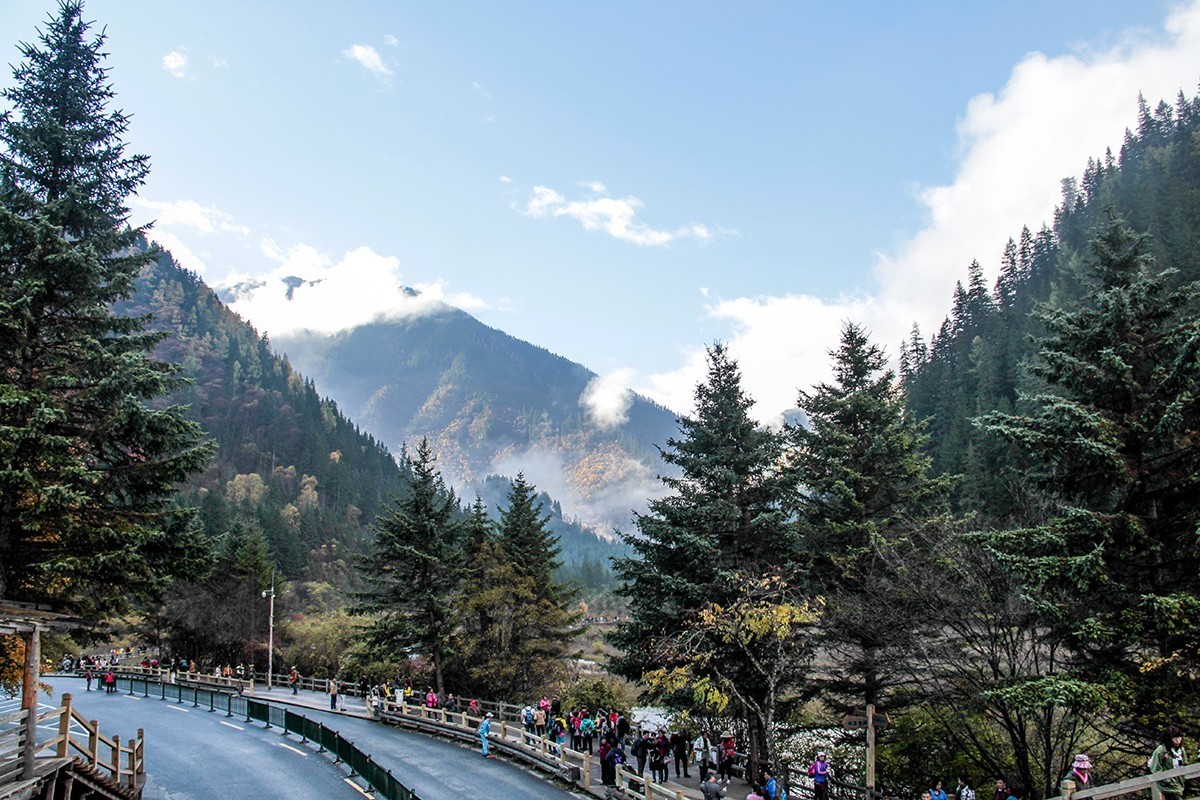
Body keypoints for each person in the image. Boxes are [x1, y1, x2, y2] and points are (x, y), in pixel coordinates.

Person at [1150, 726, 1188, 800]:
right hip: (1167, 787)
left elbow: (1185, 764)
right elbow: (1155, 768)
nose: (1177, 741)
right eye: (1174, 738)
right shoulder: (1161, 750)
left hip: (1180, 784)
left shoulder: (1181, 750)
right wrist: (1167, 781)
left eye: (1179, 738)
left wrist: (1183, 778)